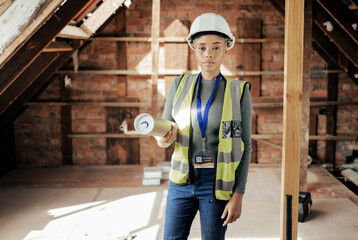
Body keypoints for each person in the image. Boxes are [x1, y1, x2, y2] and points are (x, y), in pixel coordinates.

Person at [155, 13, 252, 240]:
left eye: (216, 47)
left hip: (216, 185)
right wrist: (161, 138)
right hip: (181, 182)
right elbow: (163, 131)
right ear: (194, 49)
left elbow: (246, 145)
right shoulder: (179, 85)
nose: (209, 53)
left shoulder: (239, 92)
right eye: (202, 47)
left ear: (227, 47)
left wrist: (239, 194)